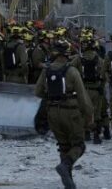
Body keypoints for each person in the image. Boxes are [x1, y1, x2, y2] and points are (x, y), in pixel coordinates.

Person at [37, 40, 93, 189]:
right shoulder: (72, 71)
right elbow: (82, 97)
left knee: (63, 145)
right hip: (71, 112)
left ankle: (67, 178)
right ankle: (66, 165)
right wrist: (89, 117)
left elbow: (37, 92)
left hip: (52, 112)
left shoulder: (46, 70)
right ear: (67, 54)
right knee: (78, 145)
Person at [73, 33, 107, 144]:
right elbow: (104, 76)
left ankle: (86, 134)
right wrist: (102, 87)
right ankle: (97, 136)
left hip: (83, 90)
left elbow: (71, 71)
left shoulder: (78, 59)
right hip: (96, 90)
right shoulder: (99, 59)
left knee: (84, 112)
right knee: (97, 113)